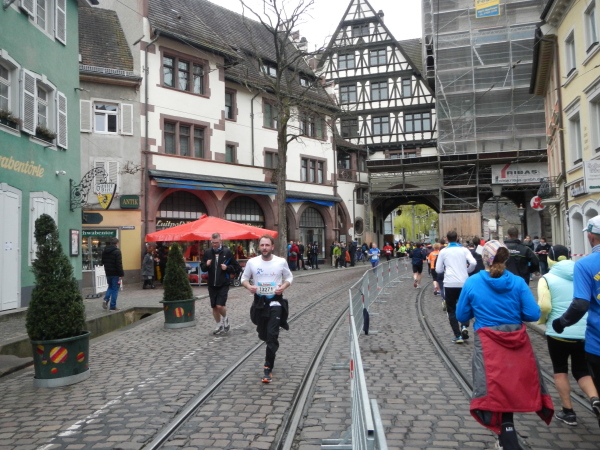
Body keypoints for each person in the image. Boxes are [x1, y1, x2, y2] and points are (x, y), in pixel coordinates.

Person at [457, 240, 553, 449]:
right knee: (510, 385)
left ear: (484, 260)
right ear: (506, 258)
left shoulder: (473, 282)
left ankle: (506, 435)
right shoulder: (517, 282)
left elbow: (461, 315)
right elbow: (532, 314)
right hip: (516, 342)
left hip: (487, 343)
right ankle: (506, 433)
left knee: (493, 387)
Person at [537, 244, 600, 427]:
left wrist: (544, 321)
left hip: (559, 331)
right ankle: (594, 398)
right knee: (581, 370)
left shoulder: (547, 278)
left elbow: (545, 306)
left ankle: (568, 411)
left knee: (560, 370)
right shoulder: (582, 270)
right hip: (584, 331)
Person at [553, 216, 600, 426]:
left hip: (597, 342)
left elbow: (580, 304)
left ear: (591, 236)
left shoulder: (585, 264)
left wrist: (562, 322)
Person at [241, 234, 293, 383]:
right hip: (259, 303)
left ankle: (267, 368)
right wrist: (249, 286)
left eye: (267, 245)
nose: (264, 248)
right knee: (263, 334)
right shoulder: (252, 262)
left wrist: (283, 286)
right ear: (259, 247)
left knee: (272, 336)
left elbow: (289, 277)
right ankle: (269, 340)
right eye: (262, 245)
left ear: (272, 247)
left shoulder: (280, 262)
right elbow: (244, 279)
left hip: (275, 302)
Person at [435, 230, 476, 343]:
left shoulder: (443, 251)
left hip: (450, 283)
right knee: (465, 305)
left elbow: (438, 269)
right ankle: (464, 326)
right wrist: (467, 271)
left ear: (447, 239)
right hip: (463, 282)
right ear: (457, 238)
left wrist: (446, 270)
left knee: (451, 309)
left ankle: (457, 336)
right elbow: (473, 263)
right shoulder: (464, 250)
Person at [200, 233, 240, 335]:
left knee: (220, 305)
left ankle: (225, 319)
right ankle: (218, 325)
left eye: (216, 242)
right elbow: (203, 267)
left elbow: (236, 267)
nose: (214, 244)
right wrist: (206, 265)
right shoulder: (208, 253)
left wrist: (227, 268)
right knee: (214, 306)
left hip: (223, 283)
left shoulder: (227, 252)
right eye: (213, 243)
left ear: (220, 241)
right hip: (211, 284)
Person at [101, 237, 124, 311]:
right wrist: (121, 274)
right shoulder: (117, 251)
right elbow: (119, 264)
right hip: (115, 273)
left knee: (110, 287)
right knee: (115, 289)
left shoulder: (105, 251)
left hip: (108, 272)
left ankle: (106, 299)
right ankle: (112, 306)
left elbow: (102, 262)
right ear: (116, 243)